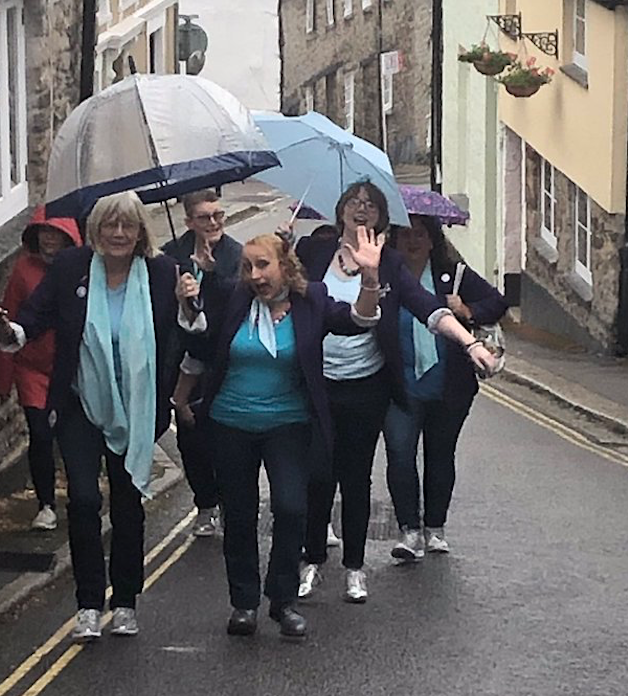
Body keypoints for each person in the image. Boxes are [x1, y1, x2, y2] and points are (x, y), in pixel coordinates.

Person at [0, 191, 181, 642]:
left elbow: (187, 334)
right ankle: (90, 603)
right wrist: (5, 328)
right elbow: (30, 322)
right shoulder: (72, 269)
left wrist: (190, 302)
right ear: (94, 230)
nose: (117, 233)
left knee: (128, 504)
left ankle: (125, 601)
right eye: (109, 225)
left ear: (140, 231)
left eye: (127, 226)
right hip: (79, 403)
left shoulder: (161, 272)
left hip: (136, 405)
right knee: (86, 501)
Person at [294, 182, 497, 603]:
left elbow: (430, 308)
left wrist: (470, 342)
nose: (362, 209)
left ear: (382, 217)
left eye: (371, 205)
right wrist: (279, 250)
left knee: (355, 477)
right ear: (341, 211)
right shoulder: (312, 253)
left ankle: (354, 568)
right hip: (316, 384)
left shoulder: (388, 263)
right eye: (354, 202)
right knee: (316, 475)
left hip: (367, 385)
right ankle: (311, 559)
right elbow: (276, 286)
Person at [176, 230, 384, 639]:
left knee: (291, 508)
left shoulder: (313, 301)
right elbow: (200, 342)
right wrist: (189, 305)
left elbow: (357, 320)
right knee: (239, 516)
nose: (254, 275)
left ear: (285, 267)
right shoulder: (232, 297)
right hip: (231, 421)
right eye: (248, 267)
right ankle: (244, 604)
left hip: (288, 424)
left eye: (263, 265)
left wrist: (371, 278)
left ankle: (283, 600)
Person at [385, 215, 507, 561]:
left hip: (448, 387)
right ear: (393, 241)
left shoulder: (454, 275)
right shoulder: (384, 278)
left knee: (440, 457)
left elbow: (497, 302)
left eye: (420, 235)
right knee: (400, 455)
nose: (412, 242)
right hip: (401, 387)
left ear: (432, 240)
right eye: (405, 235)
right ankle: (409, 531)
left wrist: (466, 308)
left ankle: (435, 529)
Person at [0, 206, 82, 531]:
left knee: (73, 436)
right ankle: (45, 504)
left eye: (56, 232)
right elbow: (9, 321)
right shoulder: (22, 270)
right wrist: (3, 378)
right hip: (33, 368)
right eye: (43, 232)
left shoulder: (82, 268)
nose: (49, 238)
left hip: (72, 368)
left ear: (68, 236)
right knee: (40, 433)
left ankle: (81, 496)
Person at [162, 190, 242, 537]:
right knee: (190, 438)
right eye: (205, 217)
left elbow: (239, 302)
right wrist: (180, 297)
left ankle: (229, 501)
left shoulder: (237, 255)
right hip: (184, 362)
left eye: (218, 215)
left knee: (226, 440)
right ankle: (205, 504)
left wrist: (212, 275)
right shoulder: (170, 257)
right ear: (189, 222)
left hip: (223, 360)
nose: (213, 223)